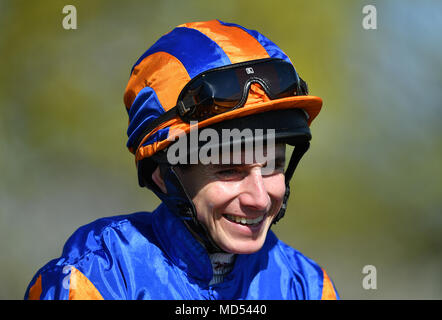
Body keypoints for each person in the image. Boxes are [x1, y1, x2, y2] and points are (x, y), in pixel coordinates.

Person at [25, 19, 339, 300]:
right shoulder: (99, 281)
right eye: (230, 170)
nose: (259, 198)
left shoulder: (308, 287)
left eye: (273, 166)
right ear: (164, 175)